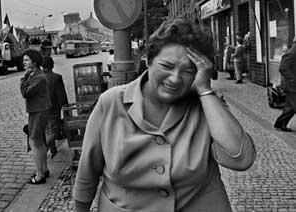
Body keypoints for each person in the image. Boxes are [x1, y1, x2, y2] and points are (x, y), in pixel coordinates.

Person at [73, 18, 256, 212]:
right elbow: (87, 173)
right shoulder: (111, 103)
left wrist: (205, 90)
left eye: (188, 70)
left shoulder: (206, 105)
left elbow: (241, 158)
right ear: (148, 60)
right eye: (167, 66)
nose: (175, 79)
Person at [20, 49, 51, 184]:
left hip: (39, 111)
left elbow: (25, 92)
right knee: (39, 141)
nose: (24, 62)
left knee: (34, 141)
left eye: (27, 60)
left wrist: (23, 78)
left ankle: (40, 175)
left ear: (34, 62)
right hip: (37, 110)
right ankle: (44, 169)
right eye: (24, 60)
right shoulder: (36, 75)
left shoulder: (38, 77)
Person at [42, 56, 68, 159]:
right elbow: (61, 95)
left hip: (40, 108)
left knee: (46, 129)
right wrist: (65, 107)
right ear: (52, 65)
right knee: (53, 130)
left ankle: (53, 150)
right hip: (53, 108)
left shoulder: (36, 77)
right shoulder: (56, 77)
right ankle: (44, 148)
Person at [274, 36, 296, 132]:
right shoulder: (291, 53)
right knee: (293, 105)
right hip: (291, 86)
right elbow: (283, 68)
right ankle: (280, 124)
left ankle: (280, 124)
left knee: (290, 107)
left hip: (292, 86)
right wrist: (294, 79)